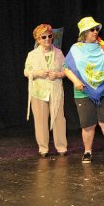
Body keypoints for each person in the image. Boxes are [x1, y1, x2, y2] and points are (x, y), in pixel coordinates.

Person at [64, 16, 104, 163]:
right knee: (88, 124)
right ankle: (87, 152)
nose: (96, 31)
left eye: (96, 29)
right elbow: (66, 68)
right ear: (84, 33)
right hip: (83, 91)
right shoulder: (76, 49)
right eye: (92, 29)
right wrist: (76, 81)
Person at [24, 24, 68, 157]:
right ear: (38, 39)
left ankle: (61, 147)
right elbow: (26, 71)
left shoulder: (58, 53)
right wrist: (38, 73)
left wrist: (57, 75)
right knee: (41, 121)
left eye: (50, 36)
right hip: (39, 92)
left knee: (59, 119)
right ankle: (43, 148)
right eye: (44, 37)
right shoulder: (32, 54)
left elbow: (66, 70)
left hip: (55, 91)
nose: (47, 39)